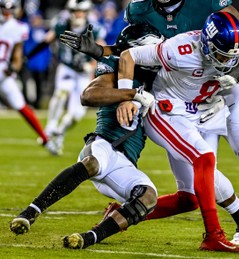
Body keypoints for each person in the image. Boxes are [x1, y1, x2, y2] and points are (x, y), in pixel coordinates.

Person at [60, 0, 239, 244]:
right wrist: (110, 71)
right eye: (222, 56)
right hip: (177, 104)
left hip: (221, 91)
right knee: (197, 181)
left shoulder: (214, 23)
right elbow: (127, 52)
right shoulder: (174, 44)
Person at [9, 24, 161, 251]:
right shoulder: (116, 67)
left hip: (126, 163)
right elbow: (89, 95)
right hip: (104, 145)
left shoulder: (162, 75)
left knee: (149, 197)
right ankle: (30, 212)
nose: (155, 55)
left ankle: (89, 237)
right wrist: (132, 94)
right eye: (151, 49)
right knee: (92, 163)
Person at [27, 0, 106, 155]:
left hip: (83, 72)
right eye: (75, 11)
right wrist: (28, 56)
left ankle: (59, 133)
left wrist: (90, 66)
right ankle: (50, 128)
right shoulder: (61, 24)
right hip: (66, 67)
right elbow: (46, 40)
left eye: (81, 11)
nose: (78, 14)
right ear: (70, 11)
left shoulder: (94, 28)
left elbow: (101, 51)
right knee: (61, 93)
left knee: (76, 114)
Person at [0, 0, 55, 154]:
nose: (6, 12)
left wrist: (13, 68)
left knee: (21, 105)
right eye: (3, 8)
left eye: (10, 9)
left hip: (3, 70)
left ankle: (45, 139)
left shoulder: (18, 27)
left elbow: (17, 56)